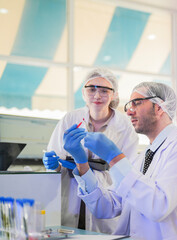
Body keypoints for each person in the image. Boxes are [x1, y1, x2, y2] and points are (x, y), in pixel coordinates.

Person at [63, 82, 177, 239]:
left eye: (137, 103)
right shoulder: (142, 158)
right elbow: (106, 206)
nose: (129, 112)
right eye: (128, 106)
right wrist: (81, 162)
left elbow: (159, 205)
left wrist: (114, 157)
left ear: (160, 107)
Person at [42, 68, 139, 234]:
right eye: (91, 89)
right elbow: (55, 159)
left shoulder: (125, 127)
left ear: (114, 94)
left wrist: (90, 164)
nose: (97, 95)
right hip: (69, 198)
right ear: (83, 92)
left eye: (104, 90)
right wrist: (53, 164)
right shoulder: (70, 119)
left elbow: (127, 172)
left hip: (106, 199)